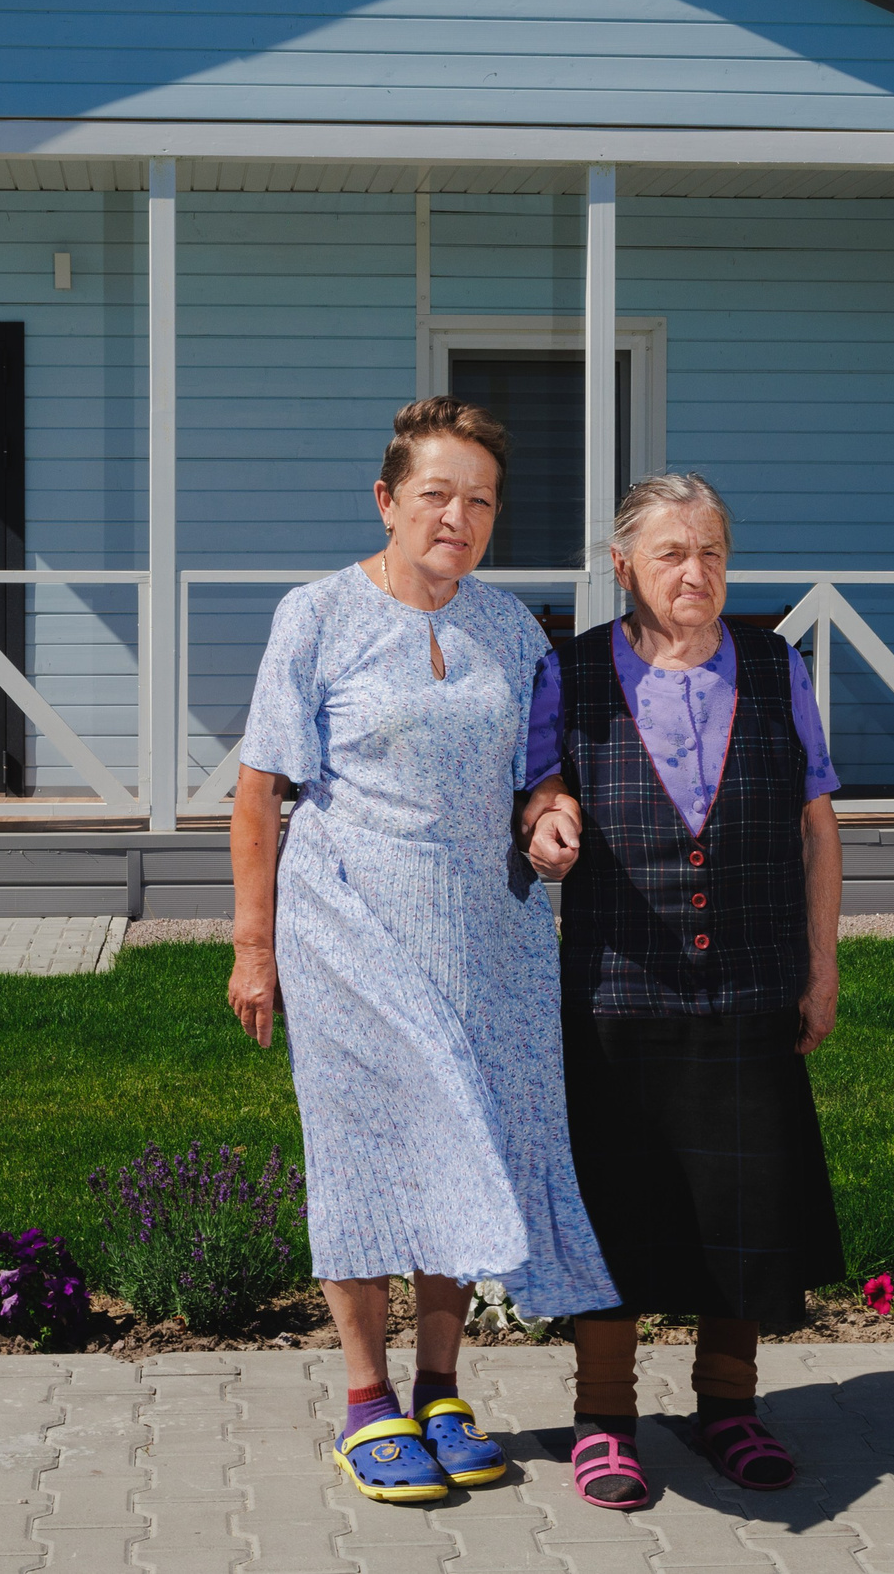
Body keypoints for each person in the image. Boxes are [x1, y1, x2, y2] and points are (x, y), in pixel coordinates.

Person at [229, 396, 616, 1506]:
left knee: (465, 1132)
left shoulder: (509, 628)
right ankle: (364, 1399)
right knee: (361, 1150)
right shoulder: (317, 615)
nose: (458, 515)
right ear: (388, 499)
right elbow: (259, 792)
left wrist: (546, 813)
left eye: (479, 500)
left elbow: (534, 771)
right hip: (347, 920)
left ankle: (441, 1386)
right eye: (436, 494)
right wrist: (254, 947)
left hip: (485, 927)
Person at [519, 472, 847, 1511]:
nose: (693, 572)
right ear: (623, 567)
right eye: (670, 553)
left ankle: (729, 1406)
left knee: (740, 1204)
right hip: (617, 987)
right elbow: (537, 786)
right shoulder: (568, 673)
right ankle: (604, 1419)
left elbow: (815, 828)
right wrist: (546, 816)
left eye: (709, 551)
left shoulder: (774, 664)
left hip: (749, 981)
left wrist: (820, 966)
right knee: (615, 1204)